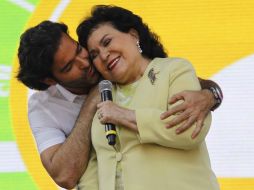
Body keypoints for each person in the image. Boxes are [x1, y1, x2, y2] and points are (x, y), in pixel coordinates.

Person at [16, 20, 222, 189]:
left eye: (79, 50)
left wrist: (209, 95)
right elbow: (64, 176)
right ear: (50, 81)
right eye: (70, 66)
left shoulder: (108, 64)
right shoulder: (43, 107)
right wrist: (92, 101)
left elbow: (183, 81)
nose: (85, 62)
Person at [76, 5, 220, 190]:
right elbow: (94, 167)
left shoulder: (174, 70)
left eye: (107, 42)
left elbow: (189, 131)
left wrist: (124, 115)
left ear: (134, 36)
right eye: (94, 54)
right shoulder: (103, 96)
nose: (103, 55)